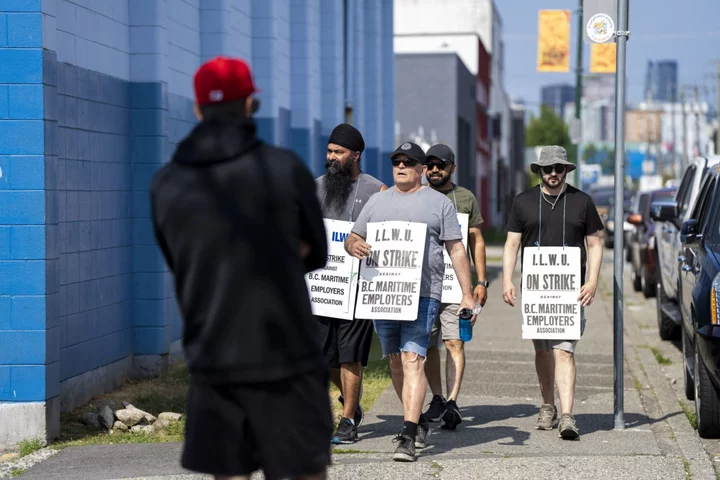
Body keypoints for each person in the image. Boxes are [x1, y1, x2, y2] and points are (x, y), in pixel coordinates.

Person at [150, 56, 332, 480]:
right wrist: (278, 254)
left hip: (214, 360)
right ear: (251, 104)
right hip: (287, 359)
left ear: (197, 109)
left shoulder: (166, 184)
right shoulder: (284, 169)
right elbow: (317, 253)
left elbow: (183, 261)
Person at [344, 142, 476, 462]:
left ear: (421, 169)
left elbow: (457, 249)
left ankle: (407, 431)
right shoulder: (377, 201)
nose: (401, 165)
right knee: (395, 361)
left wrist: (468, 293)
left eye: (408, 161)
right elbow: (353, 237)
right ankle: (414, 422)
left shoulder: (437, 203)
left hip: (423, 294)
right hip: (384, 294)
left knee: (412, 359)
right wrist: (355, 246)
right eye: (396, 161)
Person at [501, 145, 604, 440]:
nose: (554, 173)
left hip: (570, 293)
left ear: (566, 171)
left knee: (565, 351)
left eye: (559, 168)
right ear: (540, 172)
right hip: (536, 292)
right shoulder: (523, 202)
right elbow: (511, 245)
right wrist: (507, 280)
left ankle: (568, 415)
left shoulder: (582, 202)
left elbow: (595, 245)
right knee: (543, 350)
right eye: (548, 169)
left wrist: (593, 281)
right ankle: (548, 405)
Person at [314, 123, 387, 444]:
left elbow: (391, 236)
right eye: (329, 151)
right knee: (321, 357)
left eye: (338, 152)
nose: (331, 157)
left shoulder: (376, 191)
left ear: (355, 155)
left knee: (349, 355)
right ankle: (351, 402)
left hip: (358, 289)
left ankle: (347, 422)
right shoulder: (315, 188)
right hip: (321, 287)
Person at [421, 144, 487, 430]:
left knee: (454, 341)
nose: (435, 169)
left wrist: (480, 281)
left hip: (454, 286)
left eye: (441, 165)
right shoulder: (416, 195)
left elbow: (476, 240)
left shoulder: (465, 198)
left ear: (452, 168)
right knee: (426, 344)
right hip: (423, 286)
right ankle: (436, 397)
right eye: (430, 164)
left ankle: (451, 401)